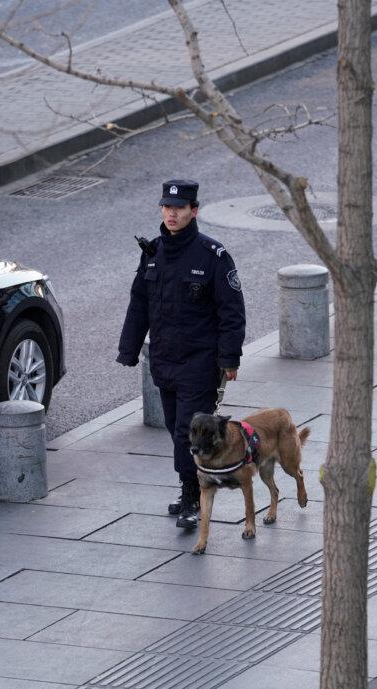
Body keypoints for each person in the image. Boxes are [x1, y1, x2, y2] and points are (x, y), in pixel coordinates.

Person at [117, 180, 246, 530]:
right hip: (165, 360)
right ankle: (188, 487)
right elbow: (139, 303)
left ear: (194, 210)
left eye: (180, 207)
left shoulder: (212, 256)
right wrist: (128, 350)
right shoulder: (154, 252)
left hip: (200, 363)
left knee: (187, 433)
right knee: (178, 428)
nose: (171, 213)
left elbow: (231, 310)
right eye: (166, 207)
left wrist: (229, 359)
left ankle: (193, 498)